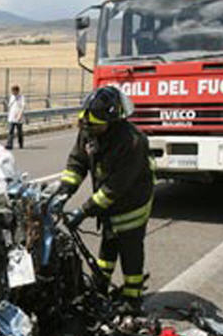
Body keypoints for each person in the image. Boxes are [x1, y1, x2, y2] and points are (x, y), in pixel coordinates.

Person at [56, 85, 155, 310]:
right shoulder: (89, 130)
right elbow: (77, 163)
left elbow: (114, 188)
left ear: (114, 121)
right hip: (110, 203)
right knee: (108, 245)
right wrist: (63, 192)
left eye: (96, 126)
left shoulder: (132, 142)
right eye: (87, 125)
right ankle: (101, 288)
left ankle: (132, 297)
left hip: (133, 203)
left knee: (129, 248)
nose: (90, 130)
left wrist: (83, 211)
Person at [6, 85, 26, 149]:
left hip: (18, 117)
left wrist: (20, 115)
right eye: (12, 91)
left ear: (17, 91)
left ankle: (20, 143)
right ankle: (9, 144)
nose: (13, 92)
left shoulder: (21, 97)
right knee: (10, 131)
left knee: (19, 132)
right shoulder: (11, 97)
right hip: (12, 116)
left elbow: (23, 106)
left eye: (14, 91)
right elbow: (9, 106)